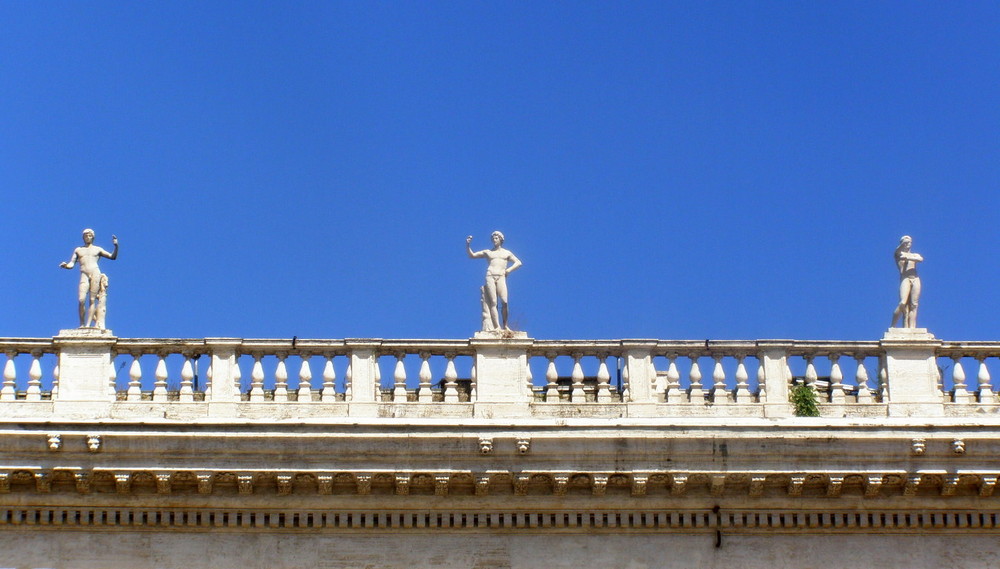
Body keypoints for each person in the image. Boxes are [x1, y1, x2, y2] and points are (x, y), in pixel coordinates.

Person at [60, 229, 118, 328]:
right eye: (86, 236)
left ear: (93, 237)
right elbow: (71, 264)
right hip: (84, 273)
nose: (87, 237)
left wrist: (116, 246)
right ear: (83, 237)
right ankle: (82, 324)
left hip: (95, 272)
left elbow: (112, 256)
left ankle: (87, 325)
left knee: (92, 300)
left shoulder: (98, 249)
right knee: (81, 299)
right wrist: (66, 266)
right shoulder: (78, 250)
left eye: (89, 235)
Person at [466, 231, 522, 331]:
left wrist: (508, 270)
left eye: (496, 238)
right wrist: (468, 244)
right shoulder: (488, 252)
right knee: (493, 302)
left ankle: (505, 325)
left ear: (500, 239)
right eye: (493, 239)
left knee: (504, 302)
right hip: (490, 275)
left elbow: (518, 262)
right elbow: (472, 255)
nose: (494, 240)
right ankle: (497, 327)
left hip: (501, 276)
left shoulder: (506, 253)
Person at [890, 235, 922, 328]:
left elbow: (920, 259)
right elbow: (897, 252)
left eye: (910, 242)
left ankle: (912, 327)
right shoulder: (899, 254)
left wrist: (908, 257)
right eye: (906, 242)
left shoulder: (914, 255)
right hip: (905, 279)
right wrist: (903, 244)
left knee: (914, 304)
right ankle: (893, 325)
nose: (908, 244)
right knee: (903, 303)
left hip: (915, 278)